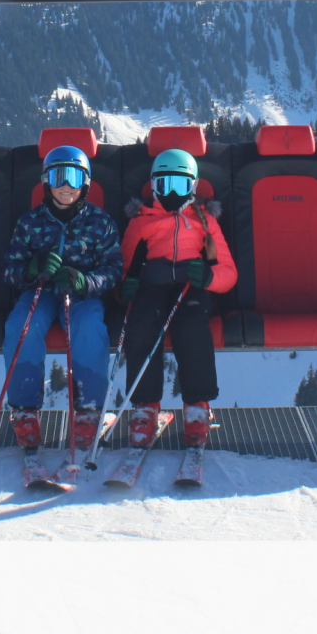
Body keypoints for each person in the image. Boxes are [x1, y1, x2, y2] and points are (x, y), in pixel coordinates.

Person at [0, 145, 124, 450]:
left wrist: (85, 281)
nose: (66, 186)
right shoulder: (30, 223)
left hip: (81, 296)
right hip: (40, 292)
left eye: (74, 178)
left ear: (86, 184)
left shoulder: (100, 222)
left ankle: (89, 410)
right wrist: (31, 269)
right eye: (58, 177)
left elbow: (113, 269)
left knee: (89, 328)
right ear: (46, 182)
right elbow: (9, 270)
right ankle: (25, 410)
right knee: (22, 325)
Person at [117, 149, 237, 449]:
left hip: (191, 286)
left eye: (180, 185)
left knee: (192, 325)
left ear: (193, 186)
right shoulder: (142, 222)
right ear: (153, 186)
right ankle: (146, 407)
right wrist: (124, 287)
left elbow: (228, 271)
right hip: (152, 286)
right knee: (142, 325)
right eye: (165, 184)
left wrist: (207, 277)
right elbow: (124, 267)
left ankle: (198, 405)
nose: (172, 193)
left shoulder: (204, 222)